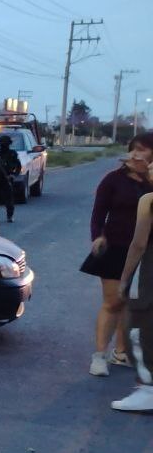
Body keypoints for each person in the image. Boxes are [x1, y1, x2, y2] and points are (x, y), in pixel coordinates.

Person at [83, 134, 153, 377]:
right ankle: (99, 355)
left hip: (144, 251)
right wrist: (97, 236)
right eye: (132, 149)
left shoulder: (151, 183)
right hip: (114, 248)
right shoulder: (113, 180)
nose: (134, 154)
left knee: (132, 304)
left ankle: (121, 352)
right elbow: (98, 213)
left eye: (142, 150)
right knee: (113, 301)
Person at [113, 133, 153, 412]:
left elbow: (138, 245)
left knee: (138, 326)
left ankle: (146, 387)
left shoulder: (148, 201)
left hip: (148, 274)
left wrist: (125, 280)